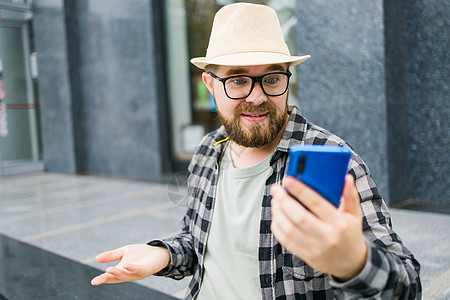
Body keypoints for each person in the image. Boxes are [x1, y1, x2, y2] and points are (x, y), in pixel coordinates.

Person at [91, 3, 421, 299]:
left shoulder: (333, 160)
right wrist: (163, 255)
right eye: (237, 81)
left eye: (272, 79)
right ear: (209, 85)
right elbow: (200, 242)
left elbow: (407, 285)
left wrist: (354, 262)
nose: (257, 97)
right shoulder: (209, 149)